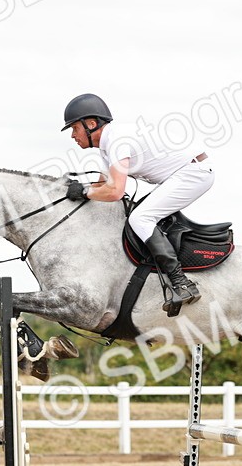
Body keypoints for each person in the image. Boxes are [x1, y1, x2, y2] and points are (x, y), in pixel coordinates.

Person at [62, 93, 211, 316]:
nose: (73, 136)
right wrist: (75, 193)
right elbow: (103, 183)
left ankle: (182, 284)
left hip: (193, 173)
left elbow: (115, 191)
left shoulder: (117, 141)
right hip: (181, 174)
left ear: (91, 124)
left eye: (74, 129)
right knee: (137, 214)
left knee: (140, 218)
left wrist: (84, 192)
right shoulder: (107, 145)